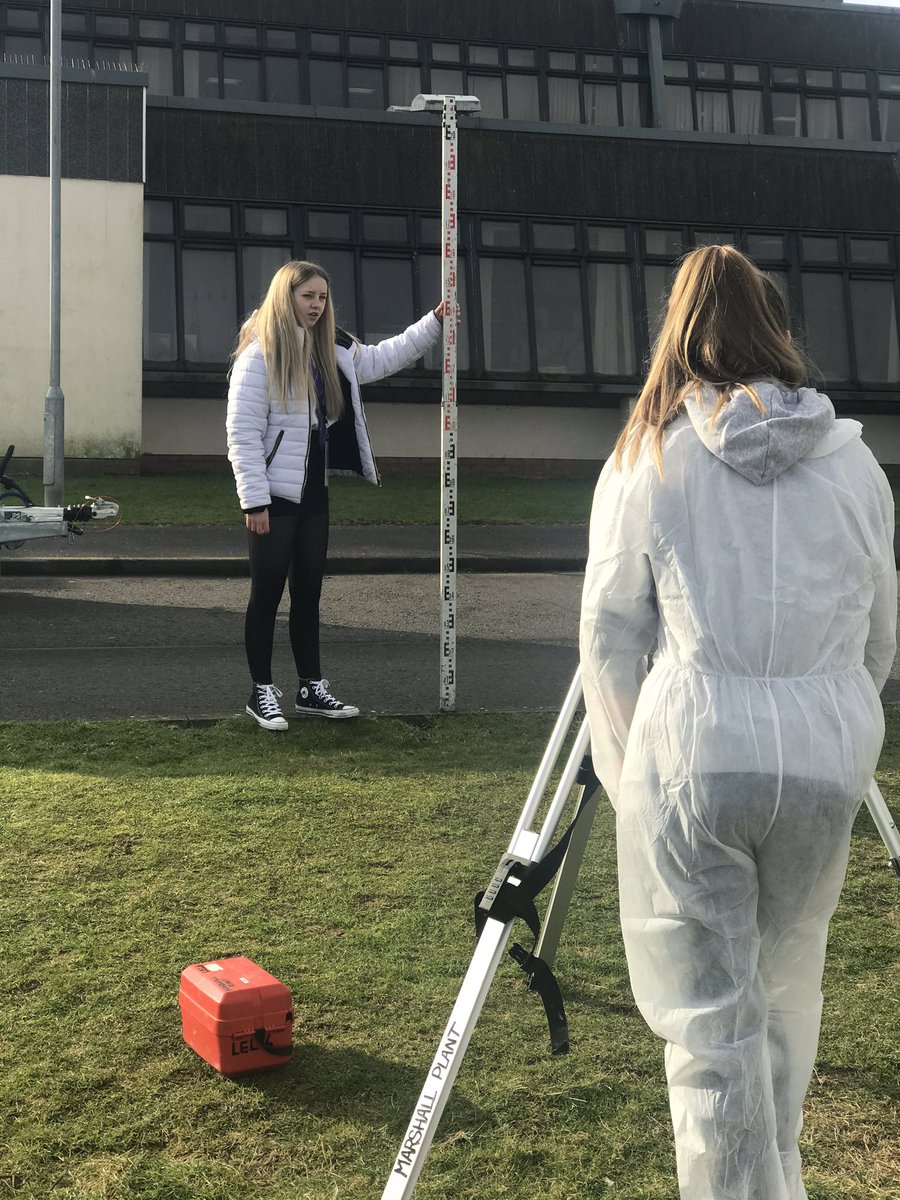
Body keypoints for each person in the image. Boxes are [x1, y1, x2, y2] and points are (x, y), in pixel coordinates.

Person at [579, 244, 895, 1200]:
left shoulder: (653, 454)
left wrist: (628, 761)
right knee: (788, 980)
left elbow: (608, 626)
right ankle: (778, 1174)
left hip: (696, 754)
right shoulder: (852, 464)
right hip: (820, 753)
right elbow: (880, 627)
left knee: (712, 1023)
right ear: (775, 326)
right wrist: (842, 718)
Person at [227, 260, 446, 730]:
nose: (316, 305)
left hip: (313, 493)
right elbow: (242, 433)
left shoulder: (334, 346)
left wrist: (435, 322)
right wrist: (254, 501)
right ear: (285, 296)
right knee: (266, 594)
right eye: (308, 296)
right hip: (273, 497)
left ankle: (311, 687)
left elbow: (384, 358)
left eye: (322, 297)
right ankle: (260, 690)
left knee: (308, 593)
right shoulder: (259, 356)